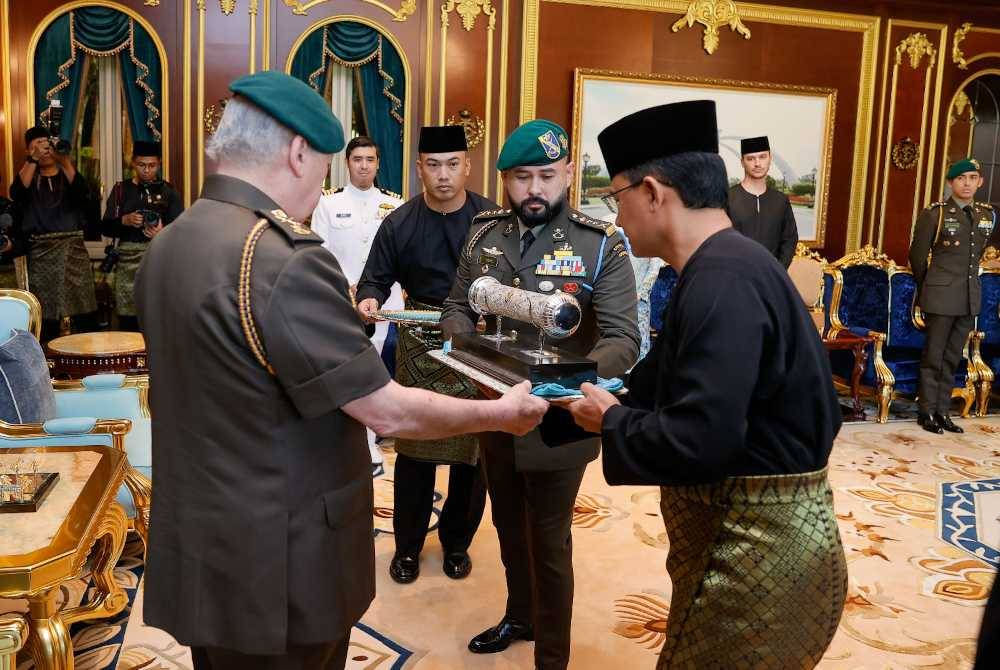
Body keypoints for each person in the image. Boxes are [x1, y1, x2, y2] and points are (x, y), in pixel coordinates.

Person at [134, 71, 547, 670]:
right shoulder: (282, 259)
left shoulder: (169, 244)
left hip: (202, 544)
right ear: (299, 152)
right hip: (283, 562)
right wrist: (500, 413)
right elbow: (386, 409)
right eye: (325, 165)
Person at [566, 100, 847, 669]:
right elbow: (661, 378)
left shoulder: (723, 279)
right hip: (751, 538)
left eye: (615, 199)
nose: (617, 219)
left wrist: (611, 421)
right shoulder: (721, 265)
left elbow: (703, 437)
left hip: (759, 551)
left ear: (652, 193)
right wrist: (571, 392)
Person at [440, 119, 640, 670]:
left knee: (548, 541)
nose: (533, 189)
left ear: (569, 174)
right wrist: (470, 351)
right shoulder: (484, 234)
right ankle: (520, 615)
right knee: (506, 522)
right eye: (521, 177)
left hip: (561, 418)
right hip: (497, 408)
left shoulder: (601, 244)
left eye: (547, 176)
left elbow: (626, 339)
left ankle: (553, 658)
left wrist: (567, 380)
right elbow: (456, 308)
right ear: (505, 179)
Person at [355, 125, 498, 585]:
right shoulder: (399, 221)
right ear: (419, 168)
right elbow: (374, 278)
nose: (443, 175)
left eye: (453, 164)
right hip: (419, 342)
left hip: (477, 342)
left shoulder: (491, 220)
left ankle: (457, 544)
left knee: (471, 455)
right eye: (433, 165)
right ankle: (408, 549)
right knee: (415, 452)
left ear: (467, 167)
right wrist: (370, 302)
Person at [311, 136, 403, 472]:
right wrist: (345, 286)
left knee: (376, 371)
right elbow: (319, 252)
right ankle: (356, 443)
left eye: (370, 159)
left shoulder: (395, 206)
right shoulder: (328, 203)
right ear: (346, 163)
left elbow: (401, 257)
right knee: (347, 369)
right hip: (342, 299)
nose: (363, 165)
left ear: (378, 164)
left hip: (385, 303)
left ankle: (369, 440)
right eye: (357, 159)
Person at [908, 158, 998, 434]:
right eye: (962, 178)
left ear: (980, 182)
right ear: (950, 183)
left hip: (968, 296)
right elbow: (917, 256)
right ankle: (927, 412)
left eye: (973, 178)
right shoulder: (935, 214)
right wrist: (929, 288)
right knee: (933, 356)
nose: (967, 183)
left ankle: (942, 410)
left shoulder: (986, 215)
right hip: (940, 294)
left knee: (952, 357)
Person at [9, 126, 96, 338]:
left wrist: (63, 159)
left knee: (83, 310)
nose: (43, 150)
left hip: (72, 251)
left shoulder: (68, 175)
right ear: (28, 152)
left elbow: (83, 194)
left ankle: (87, 360)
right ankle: (47, 364)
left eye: (46, 144)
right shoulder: (29, 177)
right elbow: (17, 194)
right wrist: (33, 160)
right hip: (41, 253)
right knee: (45, 314)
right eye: (35, 146)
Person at [102, 141, 183, 330]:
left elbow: (181, 231)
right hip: (126, 260)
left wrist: (162, 233)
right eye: (142, 165)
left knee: (156, 314)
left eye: (152, 165)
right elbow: (104, 227)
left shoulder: (168, 191)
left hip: (157, 259)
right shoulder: (121, 190)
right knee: (127, 318)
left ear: (159, 164)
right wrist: (125, 220)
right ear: (133, 163)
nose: (147, 170)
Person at [727, 136, 799, 268]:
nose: (757, 164)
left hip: (772, 280)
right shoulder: (728, 198)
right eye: (750, 158)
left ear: (770, 158)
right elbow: (720, 242)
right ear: (742, 162)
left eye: (762, 157)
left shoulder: (781, 200)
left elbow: (790, 239)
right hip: (735, 278)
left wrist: (778, 270)